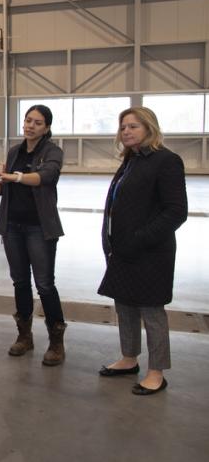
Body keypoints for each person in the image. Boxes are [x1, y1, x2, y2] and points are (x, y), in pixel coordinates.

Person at [97, 107, 187, 395]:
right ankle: (128, 358)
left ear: (149, 128)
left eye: (133, 126)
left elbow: (176, 212)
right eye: (123, 127)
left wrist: (139, 239)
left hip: (150, 252)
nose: (126, 131)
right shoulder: (131, 161)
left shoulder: (166, 161)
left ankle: (156, 372)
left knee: (151, 311)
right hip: (123, 250)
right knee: (124, 305)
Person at [0, 105, 67, 366]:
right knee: (19, 282)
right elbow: (5, 191)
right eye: (28, 120)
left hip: (40, 228)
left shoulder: (52, 152)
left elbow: (46, 177)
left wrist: (14, 177)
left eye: (37, 123)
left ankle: (56, 342)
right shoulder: (15, 151)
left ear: (47, 127)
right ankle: (24, 337)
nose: (30, 126)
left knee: (45, 284)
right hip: (12, 227)